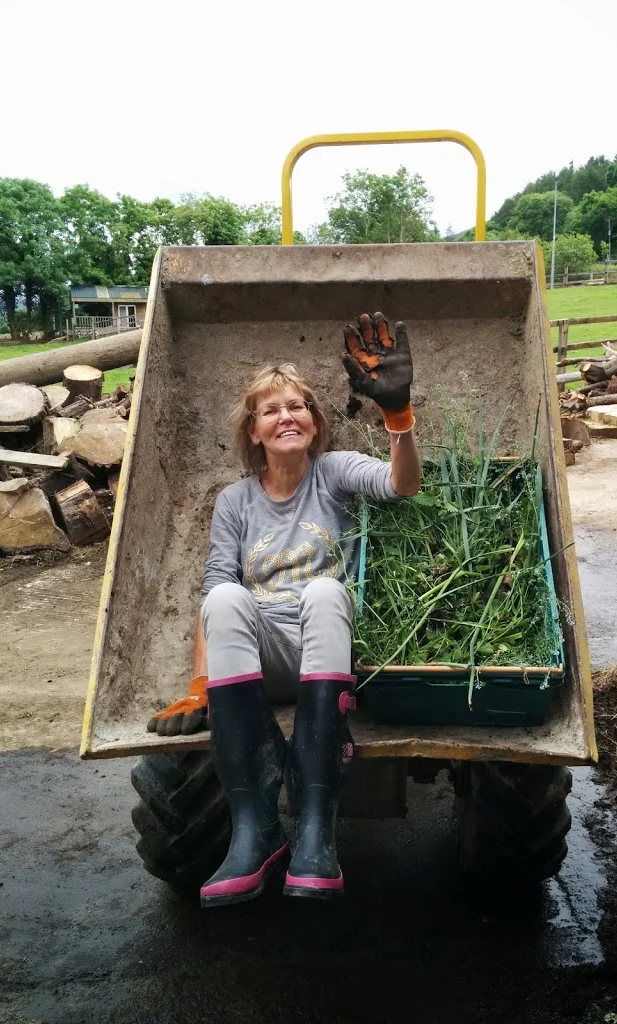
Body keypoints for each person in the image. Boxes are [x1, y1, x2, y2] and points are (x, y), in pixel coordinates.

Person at [148, 312, 421, 905]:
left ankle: (316, 830)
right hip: (263, 661)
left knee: (326, 591)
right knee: (224, 594)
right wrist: (201, 683)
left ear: (315, 423)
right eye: (271, 410)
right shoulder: (235, 501)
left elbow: (402, 485)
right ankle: (257, 829)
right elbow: (215, 587)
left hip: (325, 650)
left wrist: (398, 420)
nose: (286, 416)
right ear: (254, 432)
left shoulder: (336, 472)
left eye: (297, 406)